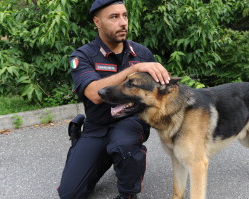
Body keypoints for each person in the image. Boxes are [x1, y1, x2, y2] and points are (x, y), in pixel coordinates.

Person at [58, 0, 170, 199]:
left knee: (123, 144)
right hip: (96, 127)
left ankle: (128, 193)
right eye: (114, 17)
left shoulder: (142, 54)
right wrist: (133, 70)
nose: (123, 22)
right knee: (70, 193)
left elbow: (159, 95)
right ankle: (101, 153)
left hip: (131, 122)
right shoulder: (83, 56)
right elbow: (94, 93)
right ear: (97, 22)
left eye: (125, 16)